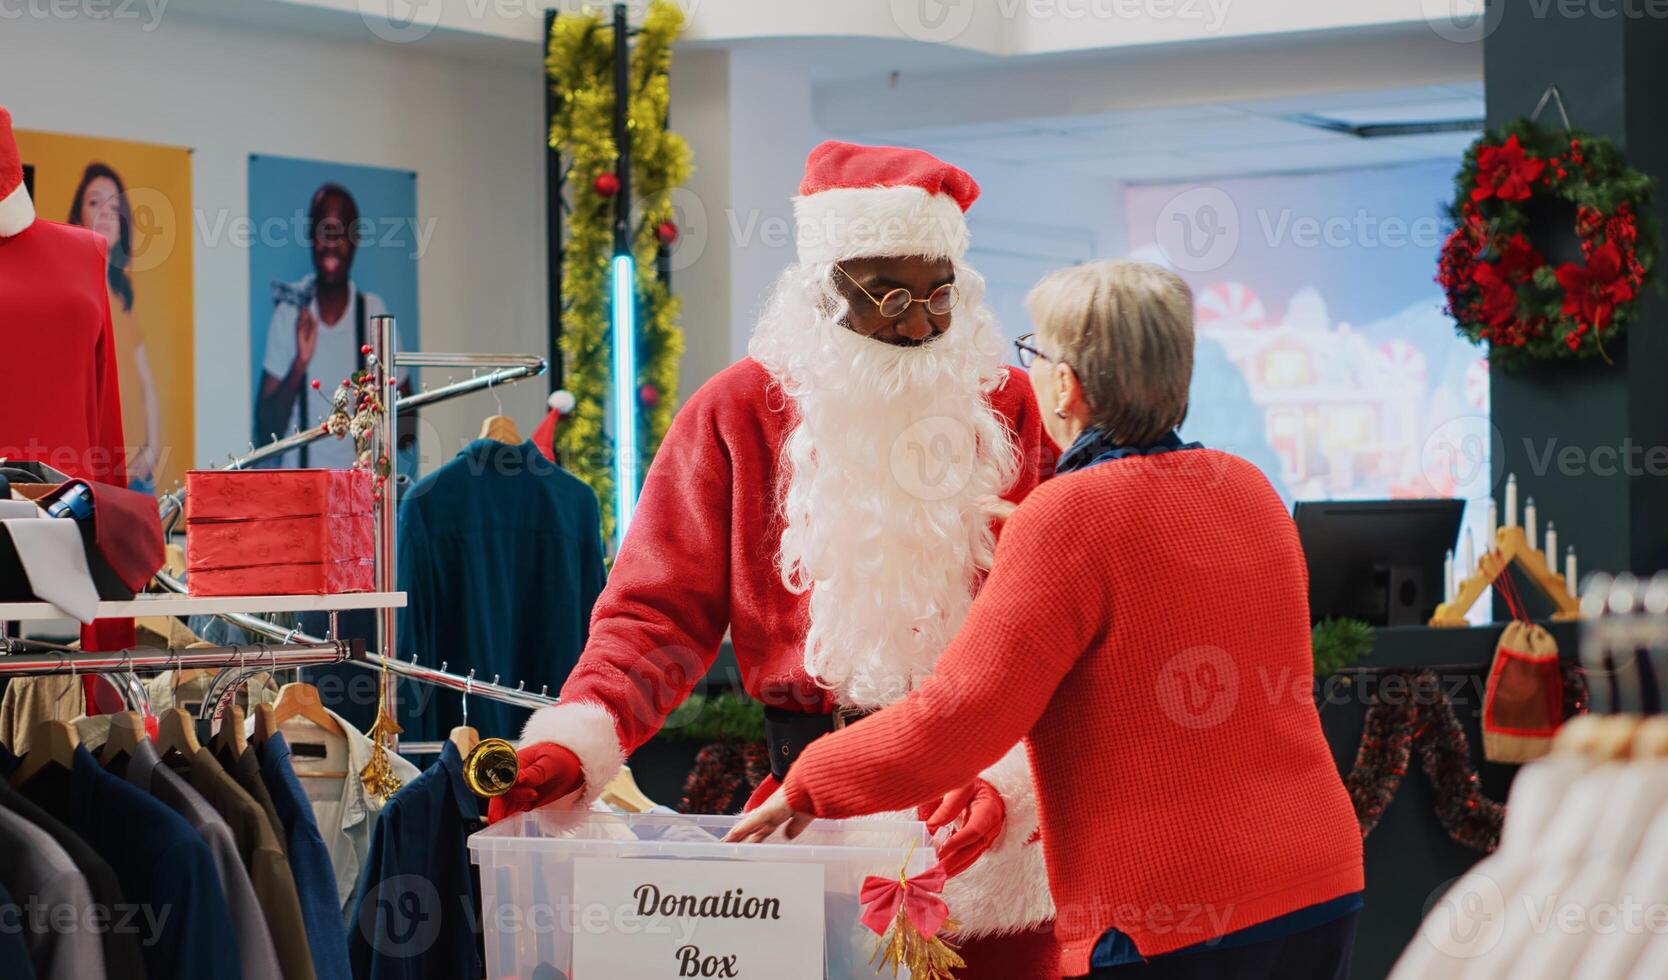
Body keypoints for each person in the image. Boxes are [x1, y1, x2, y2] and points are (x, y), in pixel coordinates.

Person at [493, 141, 1063, 977]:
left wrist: (1019, 778)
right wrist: (581, 739)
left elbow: (1065, 625)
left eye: (940, 294)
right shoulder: (735, 415)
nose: (919, 324)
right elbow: (656, 617)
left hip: (988, 826)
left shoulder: (1009, 405)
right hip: (810, 825)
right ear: (825, 288)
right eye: (890, 295)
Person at [729, 259, 1366, 979]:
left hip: (1171, 915)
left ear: (1066, 384)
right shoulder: (1247, 487)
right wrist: (1039, 545)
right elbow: (1159, 599)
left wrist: (812, 780)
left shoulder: (1067, 518)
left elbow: (959, 721)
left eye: (1035, 353)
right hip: (1318, 878)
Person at [254, 183, 394, 469]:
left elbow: (406, 430)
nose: (332, 242)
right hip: (299, 498)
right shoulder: (289, 313)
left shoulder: (373, 314)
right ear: (311, 238)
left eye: (341, 232)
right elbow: (265, 430)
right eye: (323, 231)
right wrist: (299, 363)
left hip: (358, 499)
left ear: (355, 240)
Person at [68, 163, 159, 492]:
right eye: (94, 203)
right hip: (93, 478)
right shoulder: (72, 297)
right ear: (77, 216)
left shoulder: (122, 298)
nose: (106, 214)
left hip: (138, 478)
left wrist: (152, 449)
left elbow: (145, 383)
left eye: (114, 206)